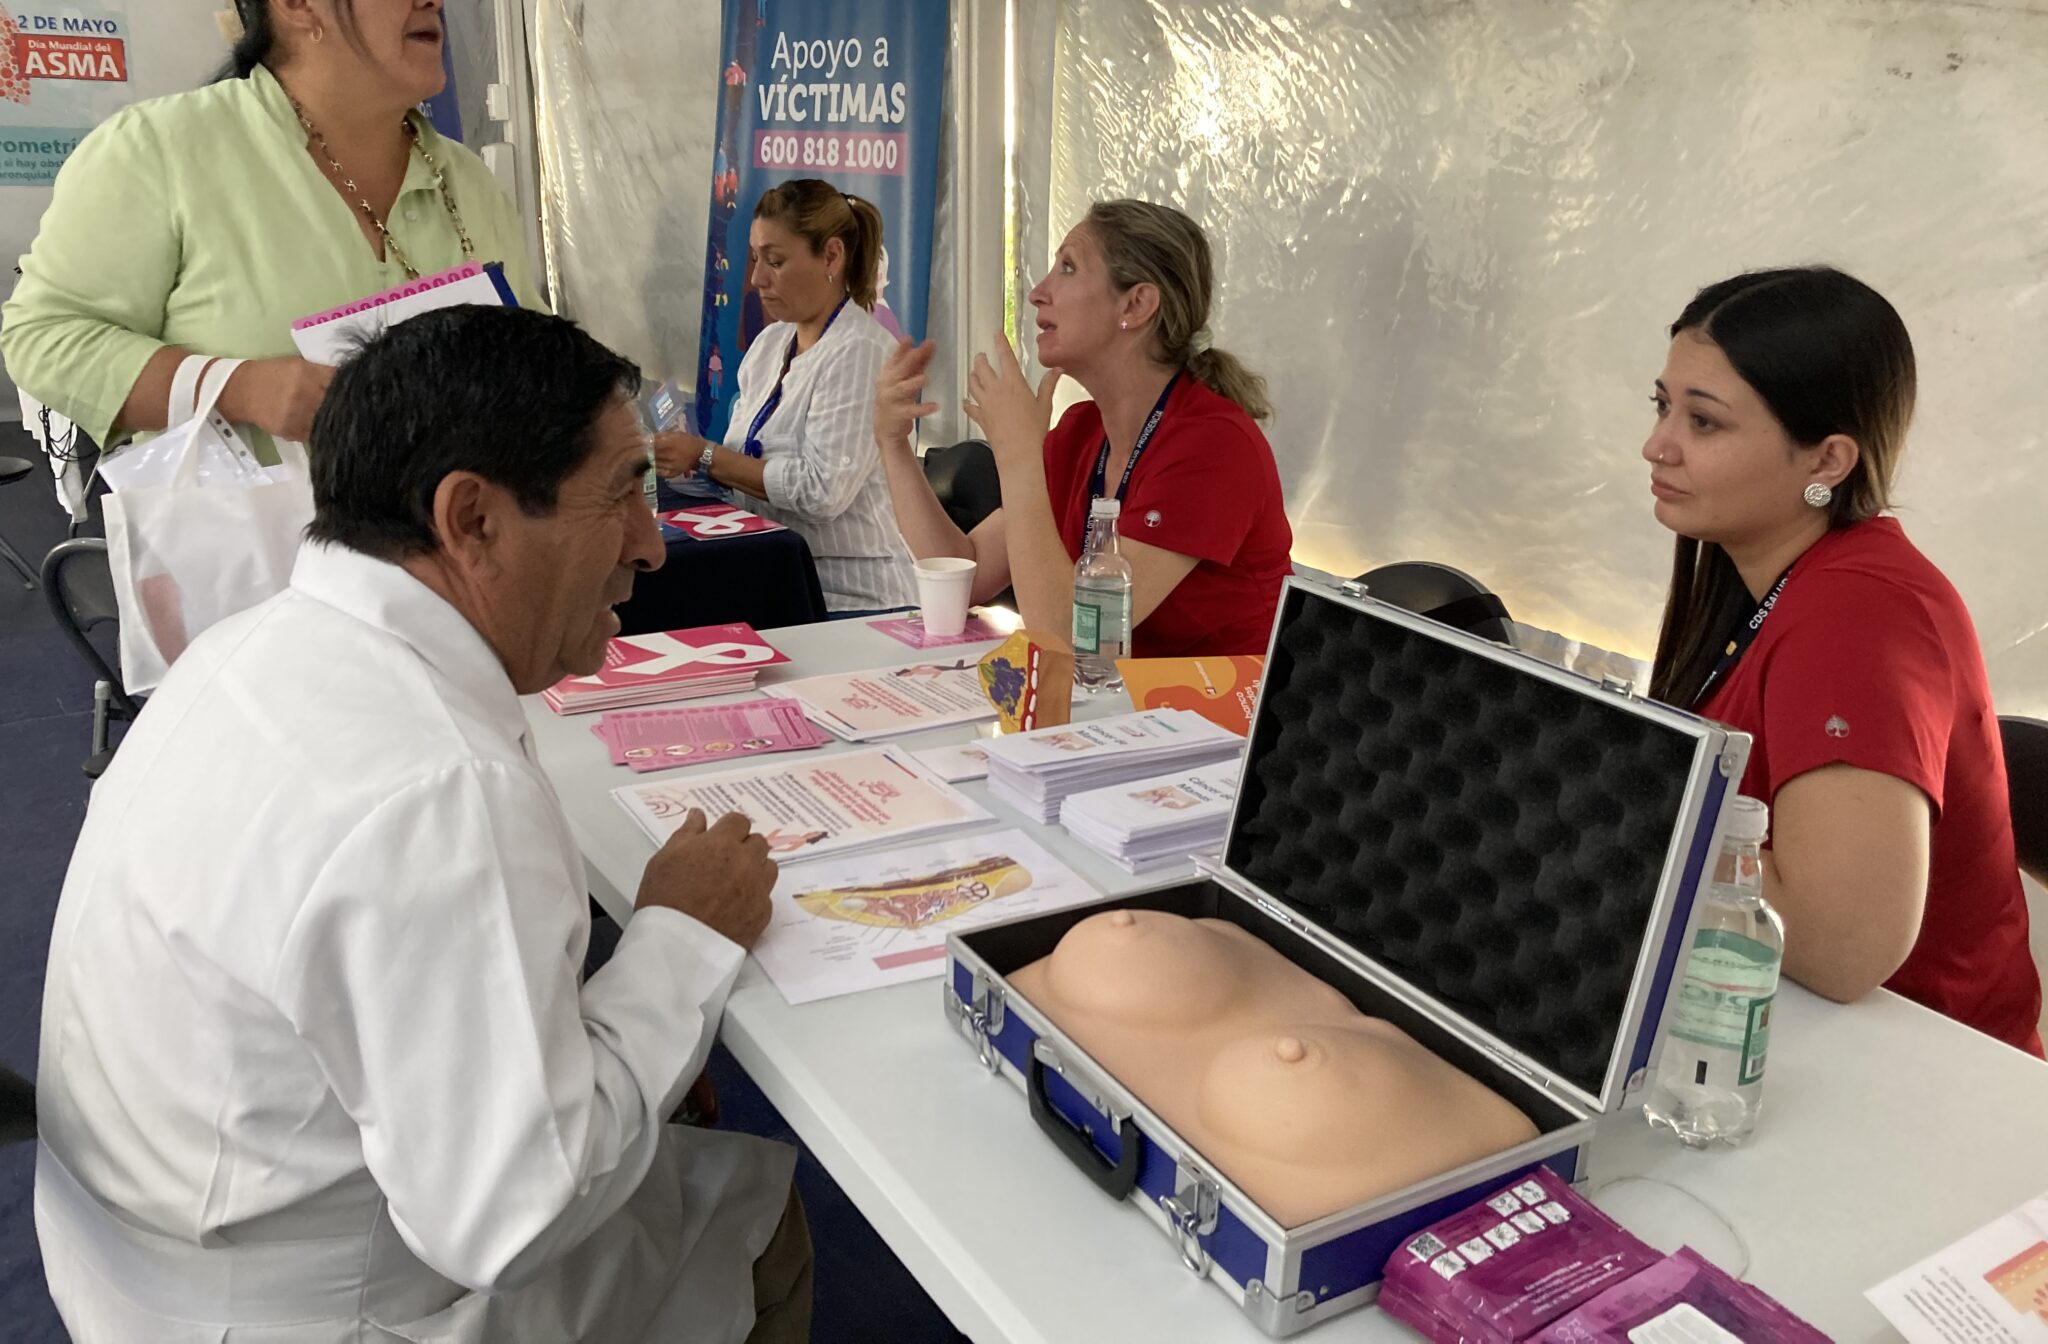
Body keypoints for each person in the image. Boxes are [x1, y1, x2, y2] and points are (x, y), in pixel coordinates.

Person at [35, 305, 812, 1342]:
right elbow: (510, 1217)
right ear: (473, 519)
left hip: (136, 1265)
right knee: (757, 1218)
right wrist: (679, 942)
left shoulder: (249, 651)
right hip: (313, 1310)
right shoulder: (438, 784)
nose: (651, 544)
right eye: (623, 489)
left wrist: (609, 1030)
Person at [1643, 267, 2041, 1055]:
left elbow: (1841, 945)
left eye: (1705, 423)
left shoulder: (1860, 617)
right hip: (1788, 1032)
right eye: (1663, 406)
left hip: (1916, 1079)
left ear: (1827, 462)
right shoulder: (1775, 583)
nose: (1657, 445)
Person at [0, 0, 536, 457]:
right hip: (256, 542)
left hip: (458, 538)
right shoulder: (162, 148)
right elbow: (44, 337)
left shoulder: (463, 177)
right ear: (296, 0)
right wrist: (238, 388)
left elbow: (533, 350)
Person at [874, 198, 1293, 657]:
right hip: (1119, 712)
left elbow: (1075, 635)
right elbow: (964, 575)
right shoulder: (1081, 431)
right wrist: (893, 444)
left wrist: (1018, 456)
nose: (1037, 292)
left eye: (1068, 268)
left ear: (1136, 303)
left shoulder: (1214, 445)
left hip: (1222, 719)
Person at [655, 178, 914, 613]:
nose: (756, 278)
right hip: (779, 577)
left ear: (831, 255)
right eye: (756, 258)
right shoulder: (770, 344)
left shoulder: (861, 352)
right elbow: (743, 460)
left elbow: (821, 491)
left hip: (856, 600)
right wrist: (681, 459)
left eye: (774, 261)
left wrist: (704, 456)